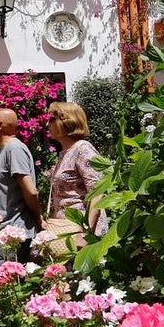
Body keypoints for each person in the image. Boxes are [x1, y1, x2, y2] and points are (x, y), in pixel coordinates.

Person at [43, 102, 107, 253]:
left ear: (67, 121)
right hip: (66, 229)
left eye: (52, 119)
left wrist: (86, 232)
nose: (48, 123)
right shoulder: (66, 152)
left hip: (81, 231)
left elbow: (97, 192)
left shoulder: (82, 149)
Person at [0, 108, 43, 263]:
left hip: (15, 234)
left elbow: (30, 191)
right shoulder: (7, 150)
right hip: (9, 234)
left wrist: (38, 219)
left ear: (0, 125)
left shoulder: (14, 149)